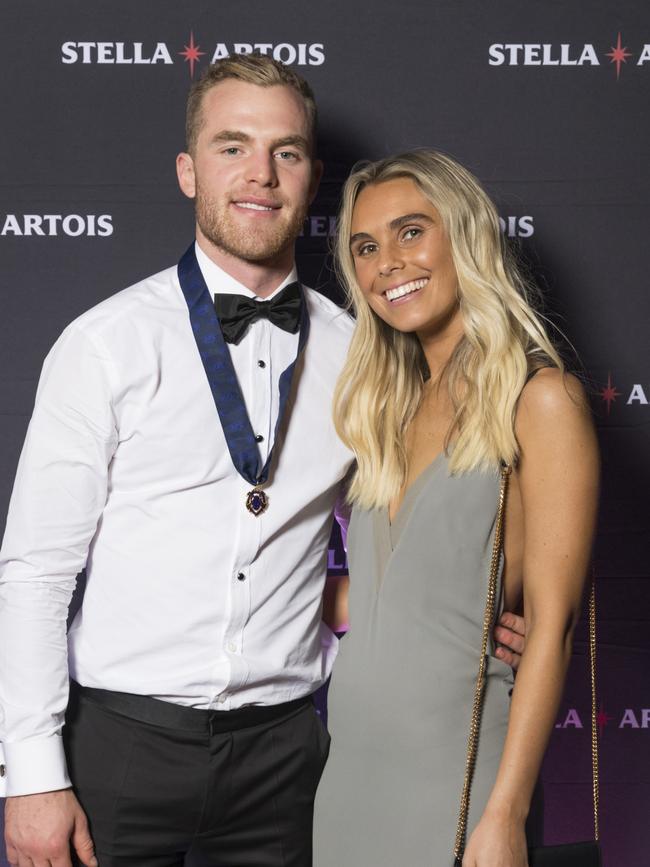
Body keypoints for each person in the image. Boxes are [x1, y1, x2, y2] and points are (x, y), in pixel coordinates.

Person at [0, 58, 526, 867]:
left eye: (286, 151)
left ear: (312, 175)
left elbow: (400, 543)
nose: (260, 174)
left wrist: (470, 618)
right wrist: (32, 776)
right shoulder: (105, 344)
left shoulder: (365, 356)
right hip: (119, 748)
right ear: (188, 170)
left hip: (289, 759)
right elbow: (35, 571)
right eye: (232, 146)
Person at [312, 150, 599, 867]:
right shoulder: (385, 409)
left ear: (463, 234)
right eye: (366, 247)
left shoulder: (541, 399)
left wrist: (506, 813)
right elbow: (389, 595)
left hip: (460, 775)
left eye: (412, 232)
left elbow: (553, 626)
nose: (388, 263)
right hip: (347, 776)